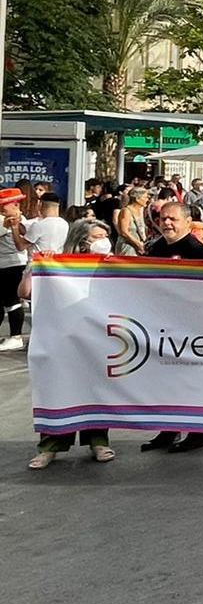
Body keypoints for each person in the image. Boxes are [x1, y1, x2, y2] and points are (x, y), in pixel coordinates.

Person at [28, 218, 118, 468]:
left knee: (96, 388)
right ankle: (50, 446)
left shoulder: (113, 263)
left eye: (104, 236)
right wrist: (38, 265)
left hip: (97, 335)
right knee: (59, 388)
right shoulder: (57, 262)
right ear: (81, 239)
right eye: (97, 236)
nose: (102, 241)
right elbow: (24, 292)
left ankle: (98, 441)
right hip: (62, 336)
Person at [140, 202, 203, 453]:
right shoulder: (157, 247)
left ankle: (199, 432)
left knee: (191, 381)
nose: (167, 223)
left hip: (190, 328)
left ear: (187, 222)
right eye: (163, 218)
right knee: (165, 380)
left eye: (172, 219)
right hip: (161, 325)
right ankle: (169, 429)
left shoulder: (196, 250)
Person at [0, 189, 32, 351]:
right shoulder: (3, 219)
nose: (2, 209)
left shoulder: (21, 221)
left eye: (4, 205)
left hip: (14, 264)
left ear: (15, 205)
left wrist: (12, 226)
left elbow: (22, 243)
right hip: (3, 264)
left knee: (12, 301)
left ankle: (16, 336)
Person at [115, 187, 151, 256]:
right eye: (146, 197)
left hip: (139, 247)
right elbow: (124, 232)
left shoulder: (142, 210)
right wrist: (137, 244)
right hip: (128, 247)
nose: (147, 200)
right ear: (137, 199)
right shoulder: (126, 211)